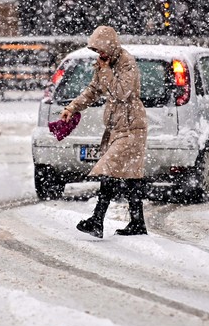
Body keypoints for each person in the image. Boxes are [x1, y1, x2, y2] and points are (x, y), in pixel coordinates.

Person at [60, 25, 148, 238]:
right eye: (96, 51)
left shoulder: (127, 63)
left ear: (110, 45)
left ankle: (97, 220)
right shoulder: (104, 65)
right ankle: (137, 223)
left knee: (109, 169)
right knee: (128, 176)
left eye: (101, 50)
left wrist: (106, 70)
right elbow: (93, 90)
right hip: (117, 128)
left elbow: (120, 93)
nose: (99, 55)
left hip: (131, 128)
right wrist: (71, 108)